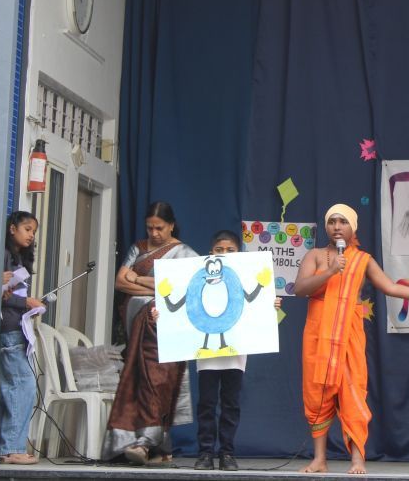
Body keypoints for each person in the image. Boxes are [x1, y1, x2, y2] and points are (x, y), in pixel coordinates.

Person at [296, 204, 409, 474]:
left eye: (343, 221)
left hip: (348, 336)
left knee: (352, 393)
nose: (336, 227)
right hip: (318, 335)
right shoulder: (316, 255)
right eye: (332, 221)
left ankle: (358, 460)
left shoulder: (362, 260)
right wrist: (330, 271)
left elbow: (390, 287)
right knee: (317, 392)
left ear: (353, 227)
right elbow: (300, 289)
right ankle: (319, 459)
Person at [102, 201, 198, 465]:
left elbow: (183, 289)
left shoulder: (184, 253)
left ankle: (146, 442)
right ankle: (159, 447)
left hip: (164, 328)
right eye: (150, 228)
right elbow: (120, 281)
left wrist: (139, 279)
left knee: (159, 382)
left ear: (171, 226)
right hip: (136, 327)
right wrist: (157, 287)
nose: (154, 233)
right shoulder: (138, 248)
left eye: (159, 228)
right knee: (140, 382)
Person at [189, 230, 281, 471]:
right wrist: (163, 313)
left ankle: (227, 453)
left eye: (230, 250)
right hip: (207, 354)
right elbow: (183, 305)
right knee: (207, 403)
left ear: (239, 253)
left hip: (236, 353)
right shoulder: (199, 279)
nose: (225, 254)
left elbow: (253, 300)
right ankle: (205, 453)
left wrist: (269, 302)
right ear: (210, 253)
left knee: (230, 404)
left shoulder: (242, 279)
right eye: (219, 250)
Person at [0, 211, 44, 465]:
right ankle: (12, 447)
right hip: (9, 330)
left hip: (17, 327)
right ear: (12, 228)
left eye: (34, 231)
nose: (31, 235)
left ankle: (2, 446)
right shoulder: (2, 255)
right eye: (27, 229)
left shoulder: (17, 258)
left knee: (11, 386)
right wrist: (25, 302)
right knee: (22, 384)